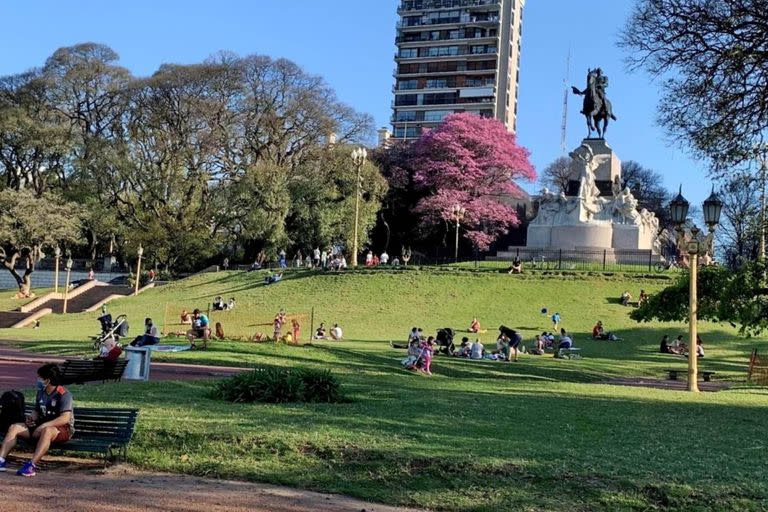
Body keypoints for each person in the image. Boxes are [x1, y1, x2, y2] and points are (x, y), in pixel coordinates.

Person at [0, 363, 75, 477]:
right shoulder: (41, 393)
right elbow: (37, 410)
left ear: (47, 380)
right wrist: (30, 418)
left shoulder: (64, 394)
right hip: (40, 426)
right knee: (14, 427)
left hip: (61, 429)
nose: (38, 380)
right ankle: (1, 460)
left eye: (40, 377)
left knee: (47, 431)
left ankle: (31, 465)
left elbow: (65, 418)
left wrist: (44, 426)